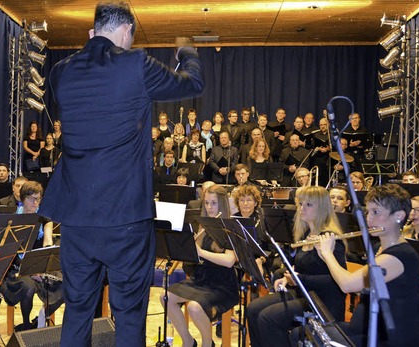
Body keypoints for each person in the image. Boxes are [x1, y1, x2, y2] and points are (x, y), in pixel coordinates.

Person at [39, 2, 204, 346]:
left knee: (78, 309)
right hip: (125, 218)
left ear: (93, 30)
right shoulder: (136, 63)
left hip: (76, 217)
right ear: (127, 30)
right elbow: (193, 84)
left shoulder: (60, 72)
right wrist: (188, 53)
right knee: (129, 314)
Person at [309, 184, 419, 347]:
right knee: (307, 331)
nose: (368, 219)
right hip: (367, 329)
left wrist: (327, 255)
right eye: (368, 212)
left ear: (399, 216)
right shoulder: (379, 248)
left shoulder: (400, 255)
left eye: (376, 212)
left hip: (387, 338)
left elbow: (348, 285)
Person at [247, 186, 346, 347]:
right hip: (303, 293)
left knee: (268, 318)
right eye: (301, 204)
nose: (302, 209)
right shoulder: (307, 234)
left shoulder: (330, 239)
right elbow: (303, 268)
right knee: (253, 309)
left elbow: (335, 282)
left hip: (321, 302)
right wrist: (288, 278)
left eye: (308, 205)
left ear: (322, 208)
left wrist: (300, 279)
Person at [164, 185, 238, 347]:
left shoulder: (230, 227)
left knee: (195, 308)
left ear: (222, 205)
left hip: (222, 282)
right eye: (206, 203)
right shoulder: (202, 225)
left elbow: (229, 261)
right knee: (166, 298)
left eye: (214, 203)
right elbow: (195, 256)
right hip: (201, 277)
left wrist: (200, 253)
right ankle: (188, 341)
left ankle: (207, 344)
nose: (210, 208)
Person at [0, 181, 60, 330]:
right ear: (22, 199)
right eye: (31, 198)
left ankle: (38, 320)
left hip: (39, 263)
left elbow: (47, 242)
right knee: (28, 288)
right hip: (17, 267)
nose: (35, 202)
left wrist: (41, 265)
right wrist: (30, 270)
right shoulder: (12, 220)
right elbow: (11, 252)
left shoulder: (44, 217)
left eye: (38, 199)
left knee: (67, 284)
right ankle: (25, 326)